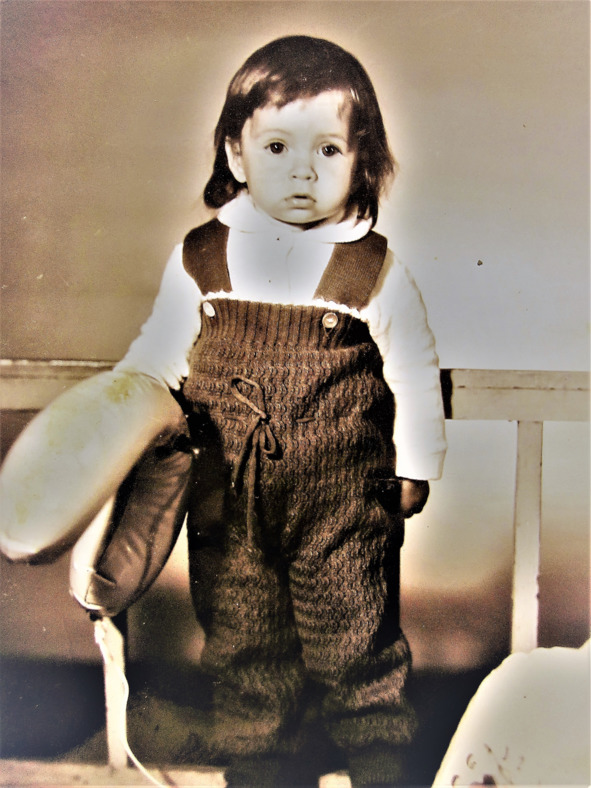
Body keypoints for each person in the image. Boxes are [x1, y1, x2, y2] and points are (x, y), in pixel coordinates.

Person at [116, 35, 447, 788]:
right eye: (276, 147)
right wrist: (115, 422)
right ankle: (259, 762)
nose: (303, 169)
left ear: (361, 162)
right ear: (235, 155)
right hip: (226, 496)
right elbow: (157, 355)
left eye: (328, 149)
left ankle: (380, 758)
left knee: (355, 636)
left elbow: (414, 369)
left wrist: (416, 465)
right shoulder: (201, 257)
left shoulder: (371, 266)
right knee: (242, 639)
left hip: (342, 504)